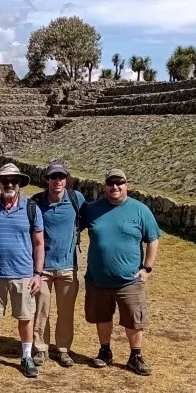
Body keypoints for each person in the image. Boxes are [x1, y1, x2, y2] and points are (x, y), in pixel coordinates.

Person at [81, 169, 160, 376]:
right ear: (105, 186)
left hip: (129, 281)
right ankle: (105, 351)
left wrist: (147, 268)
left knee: (134, 319)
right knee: (102, 316)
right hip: (98, 279)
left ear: (127, 185)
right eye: (110, 183)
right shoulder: (92, 209)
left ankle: (135, 356)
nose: (115, 187)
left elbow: (153, 239)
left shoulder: (140, 210)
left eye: (119, 183)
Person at [0, 163, 44, 378]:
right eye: (4, 181)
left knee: (25, 317)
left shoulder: (31, 208)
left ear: (20, 184)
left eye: (13, 181)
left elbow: (39, 243)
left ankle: (26, 356)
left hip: (23, 273)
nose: (9, 184)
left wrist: (38, 273)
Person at [31, 161, 85, 367]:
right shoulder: (36, 202)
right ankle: (41, 348)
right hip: (42, 268)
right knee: (41, 310)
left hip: (67, 266)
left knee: (66, 311)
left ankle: (63, 349)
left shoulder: (75, 199)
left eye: (61, 177)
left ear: (66, 179)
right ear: (47, 180)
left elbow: (85, 220)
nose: (58, 181)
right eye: (53, 177)